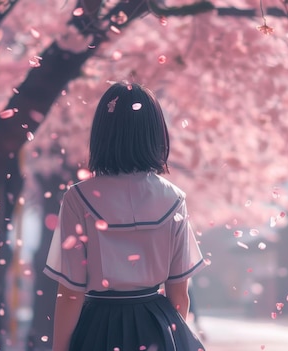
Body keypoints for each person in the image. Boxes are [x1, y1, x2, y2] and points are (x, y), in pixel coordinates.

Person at [43, 82, 207, 351]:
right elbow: (179, 293)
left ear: (102, 133)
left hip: (99, 326)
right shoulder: (174, 198)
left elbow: (71, 293)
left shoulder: (78, 197)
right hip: (157, 323)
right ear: (155, 134)